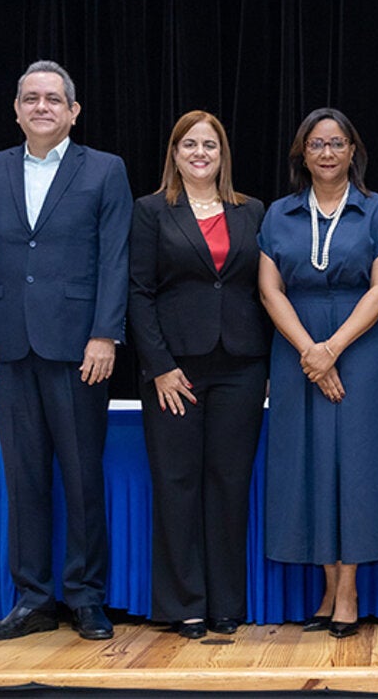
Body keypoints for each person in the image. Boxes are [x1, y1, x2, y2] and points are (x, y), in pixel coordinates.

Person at [0, 60, 131, 641]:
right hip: (6, 346)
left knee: (82, 478)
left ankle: (85, 598)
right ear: (15, 109)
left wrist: (105, 333)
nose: (41, 107)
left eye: (53, 99)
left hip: (79, 347)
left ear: (73, 111)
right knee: (24, 475)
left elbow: (114, 260)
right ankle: (32, 599)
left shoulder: (105, 171)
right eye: (30, 98)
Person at [257, 108, 378, 639]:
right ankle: (327, 588)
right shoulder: (279, 213)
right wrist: (309, 351)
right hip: (296, 349)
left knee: (357, 468)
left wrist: (334, 348)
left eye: (337, 143)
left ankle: (348, 593)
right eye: (317, 144)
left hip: (363, 351)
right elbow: (269, 289)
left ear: (353, 151)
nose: (327, 152)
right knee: (310, 467)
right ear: (303, 152)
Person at [128, 111, 268, 638]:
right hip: (174, 371)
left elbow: (266, 290)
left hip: (242, 367)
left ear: (222, 153)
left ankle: (226, 604)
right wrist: (160, 367)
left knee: (230, 485)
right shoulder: (150, 212)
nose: (200, 153)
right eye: (190, 145)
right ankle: (183, 604)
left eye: (210, 144)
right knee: (177, 483)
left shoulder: (251, 210)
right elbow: (138, 292)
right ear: (175, 153)